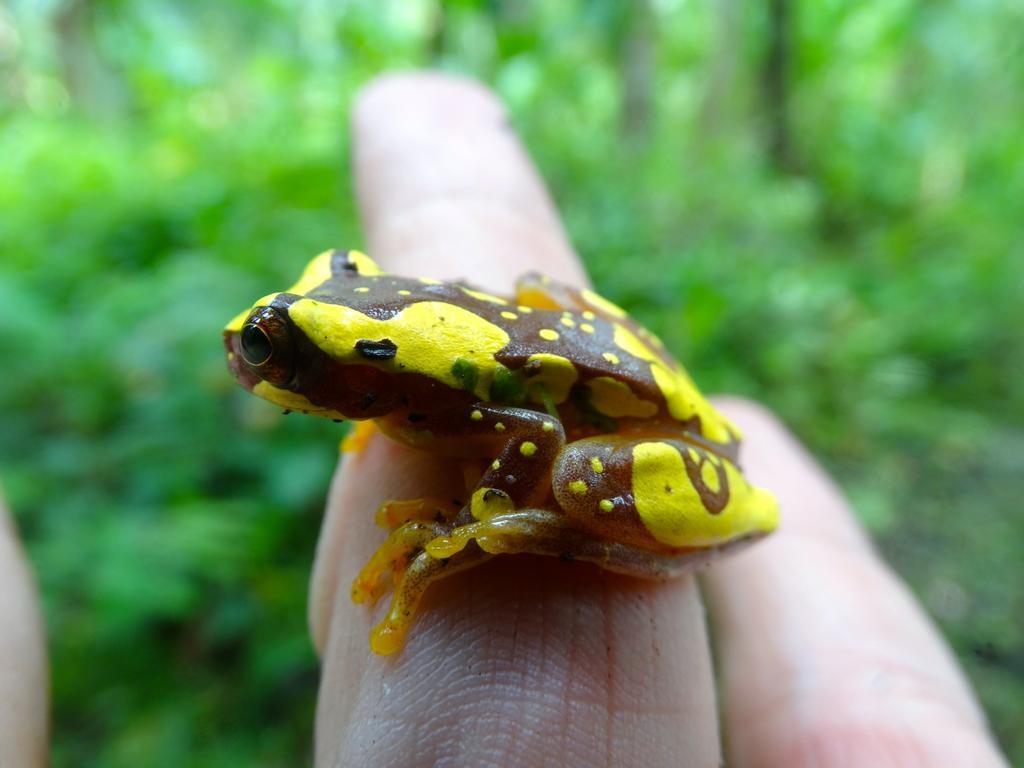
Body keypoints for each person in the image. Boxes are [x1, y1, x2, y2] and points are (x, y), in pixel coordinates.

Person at [0, 74, 1009, 768]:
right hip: (565, 371)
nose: (251, 358)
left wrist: (489, 519)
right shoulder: (418, 381)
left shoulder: (446, 388)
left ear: (365, 378)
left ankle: (543, 525)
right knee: (530, 304)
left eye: (281, 351)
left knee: (567, 475)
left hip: (663, 437)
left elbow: (529, 433)